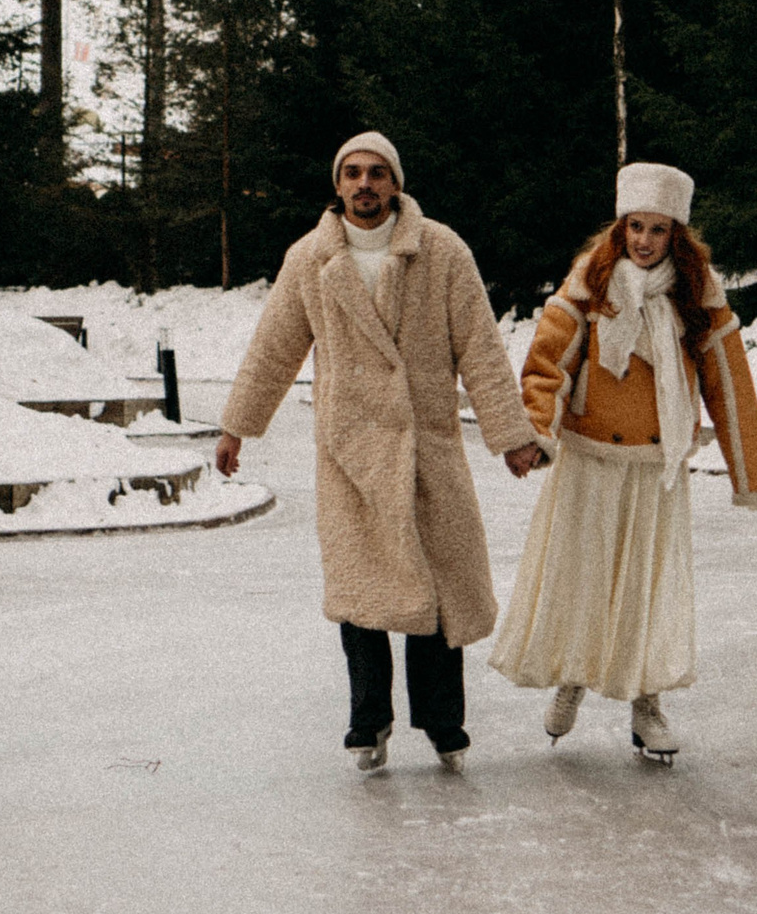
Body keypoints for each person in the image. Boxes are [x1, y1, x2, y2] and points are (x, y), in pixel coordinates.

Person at [217, 132, 543, 774]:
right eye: (352, 174)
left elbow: (479, 345)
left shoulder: (441, 251)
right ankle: (369, 721)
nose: (364, 185)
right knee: (361, 594)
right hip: (351, 454)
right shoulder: (309, 258)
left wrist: (511, 435)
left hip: (428, 446)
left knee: (438, 589)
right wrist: (237, 427)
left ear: (395, 183)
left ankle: (443, 722)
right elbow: (274, 348)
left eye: (377, 174)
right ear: (337, 185)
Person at [489, 163, 757, 764]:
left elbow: (728, 383)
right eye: (635, 227)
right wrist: (535, 434)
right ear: (620, 229)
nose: (645, 240)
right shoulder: (588, 286)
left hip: (655, 466)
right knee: (582, 577)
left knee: (645, 588)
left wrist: (749, 475)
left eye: (659, 230)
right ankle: (570, 680)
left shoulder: (697, 296)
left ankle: (647, 703)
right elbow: (547, 368)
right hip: (590, 463)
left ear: (678, 235)